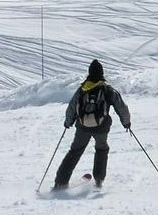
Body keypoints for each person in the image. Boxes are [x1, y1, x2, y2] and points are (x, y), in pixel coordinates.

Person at [54, 60, 131, 190]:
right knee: (101, 149)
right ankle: (99, 179)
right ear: (101, 73)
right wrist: (126, 122)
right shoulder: (107, 89)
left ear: (89, 73)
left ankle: (61, 181)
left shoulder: (82, 89)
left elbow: (72, 107)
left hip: (82, 127)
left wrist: (68, 122)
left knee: (75, 152)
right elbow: (121, 107)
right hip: (101, 128)